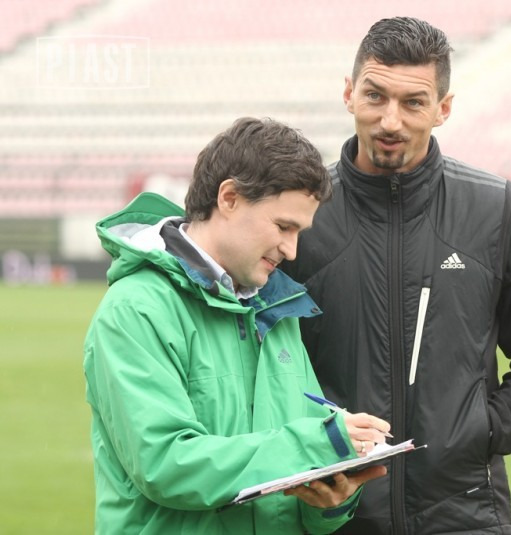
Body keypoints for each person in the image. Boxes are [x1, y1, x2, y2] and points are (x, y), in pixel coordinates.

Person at [282, 17, 511, 534]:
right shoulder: (300, 215)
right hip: (333, 514)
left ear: (443, 108)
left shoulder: (496, 209)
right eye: (375, 96)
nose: (391, 121)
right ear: (349, 94)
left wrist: (483, 430)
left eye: (413, 102)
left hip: (465, 514)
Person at [83, 117, 391, 534]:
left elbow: (299, 488)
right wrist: (314, 445)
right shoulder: (136, 309)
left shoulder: (278, 308)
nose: (292, 249)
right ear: (229, 198)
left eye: (299, 232)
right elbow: (166, 466)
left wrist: (333, 495)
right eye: (283, 226)